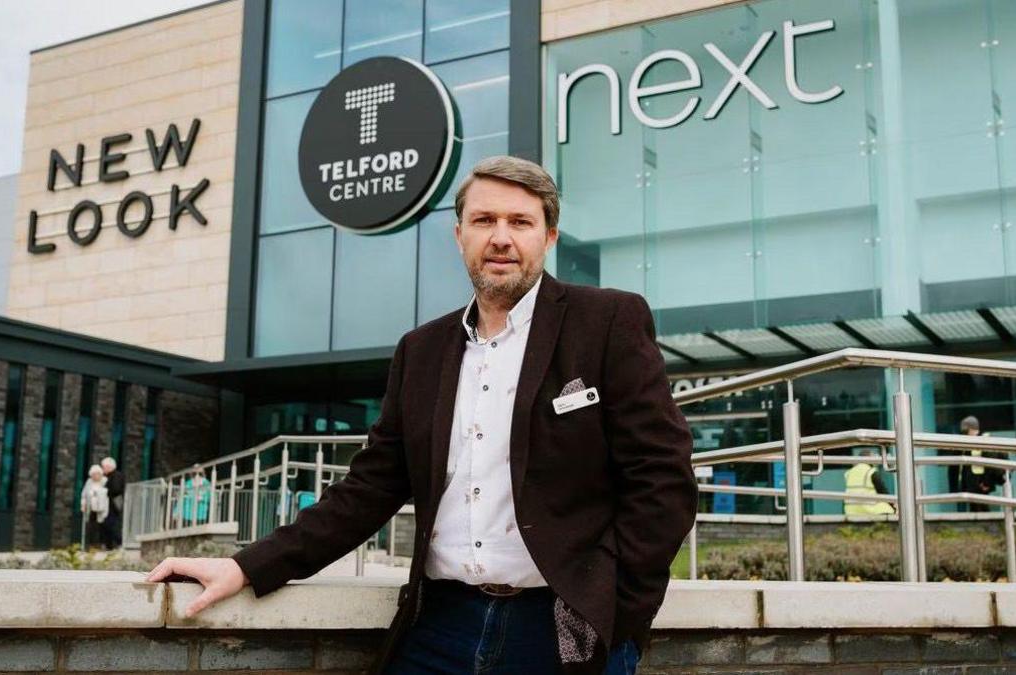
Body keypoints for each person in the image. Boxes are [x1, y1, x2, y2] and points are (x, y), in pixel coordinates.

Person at [147, 156, 698, 674]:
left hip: (559, 628)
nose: (501, 237)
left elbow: (663, 477)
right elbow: (368, 489)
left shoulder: (606, 322)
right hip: (438, 628)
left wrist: (617, 613)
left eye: (520, 222)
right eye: (483, 220)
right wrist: (246, 566)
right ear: (459, 236)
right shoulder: (422, 350)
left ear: (549, 237)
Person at [958, 416, 1004, 512]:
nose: (964, 434)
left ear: (971, 429)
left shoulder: (983, 440)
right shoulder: (970, 442)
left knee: (981, 507)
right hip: (974, 483)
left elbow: (991, 462)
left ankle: (990, 526)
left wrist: (986, 482)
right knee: (977, 507)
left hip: (981, 482)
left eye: (966, 431)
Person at [843, 447, 894, 515]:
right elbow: (882, 491)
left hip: (851, 510)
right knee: (889, 509)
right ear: (868, 458)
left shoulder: (849, 472)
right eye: (873, 457)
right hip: (868, 508)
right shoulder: (871, 471)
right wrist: (893, 505)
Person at [79, 464, 109, 550]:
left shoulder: (105, 481)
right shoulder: (89, 482)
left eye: (97, 474)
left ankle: (102, 544)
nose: (95, 476)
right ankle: (91, 544)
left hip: (102, 508)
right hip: (91, 508)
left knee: (101, 526)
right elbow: (84, 494)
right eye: (93, 474)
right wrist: (83, 504)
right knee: (91, 526)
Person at [101, 456, 126, 548]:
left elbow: (116, 489)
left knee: (111, 524)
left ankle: (117, 543)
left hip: (113, 504)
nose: (103, 469)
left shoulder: (116, 476)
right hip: (110, 504)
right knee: (108, 524)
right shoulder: (110, 476)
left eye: (104, 467)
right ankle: (110, 544)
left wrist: (105, 491)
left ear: (109, 467)